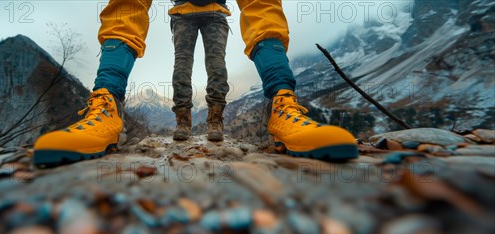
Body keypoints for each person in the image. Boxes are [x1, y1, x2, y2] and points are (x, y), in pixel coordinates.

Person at [33, 0, 359, 166]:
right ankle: (108, 104)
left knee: (217, 67)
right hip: (182, 11)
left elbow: (261, 7)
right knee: (181, 69)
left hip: (216, 11)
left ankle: (280, 102)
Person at [169, 0, 230, 142]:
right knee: (214, 62)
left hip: (194, 11)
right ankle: (191, 122)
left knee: (185, 63)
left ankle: (191, 122)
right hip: (201, 11)